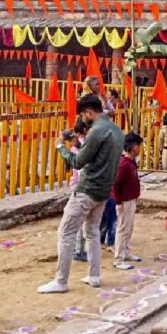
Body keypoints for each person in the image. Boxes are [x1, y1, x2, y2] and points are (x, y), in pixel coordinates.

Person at [38, 94, 124, 293]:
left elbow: (77, 162)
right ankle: (94, 275)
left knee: (66, 232)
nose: (83, 120)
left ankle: (61, 280)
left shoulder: (97, 131)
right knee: (92, 232)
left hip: (87, 189)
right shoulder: (116, 130)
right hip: (104, 190)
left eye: (83, 116)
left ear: (88, 112)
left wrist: (60, 146)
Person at [112, 132, 143, 270]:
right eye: (138, 146)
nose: (139, 149)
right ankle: (118, 259)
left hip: (131, 200)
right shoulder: (124, 164)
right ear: (133, 147)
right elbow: (115, 184)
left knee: (128, 228)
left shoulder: (131, 163)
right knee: (123, 229)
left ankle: (125, 252)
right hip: (125, 202)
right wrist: (118, 202)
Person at [69, 119, 91, 262]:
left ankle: (76, 248)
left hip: (76, 184)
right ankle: (78, 249)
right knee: (83, 221)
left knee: (77, 219)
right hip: (83, 185)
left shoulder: (75, 147)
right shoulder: (87, 145)